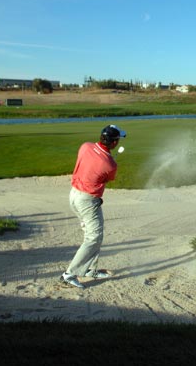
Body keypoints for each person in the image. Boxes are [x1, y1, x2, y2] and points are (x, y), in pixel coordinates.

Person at [61, 124, 127, 289]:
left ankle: (90, 269)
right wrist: (109, 159)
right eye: (118, 139)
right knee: (94, 237)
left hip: (74, 196)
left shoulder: (85, 146)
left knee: (92, 234)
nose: (118, 142)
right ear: (113, 143)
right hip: (88, 201)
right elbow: (108, 178)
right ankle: (69, 274)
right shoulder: (110, 164)